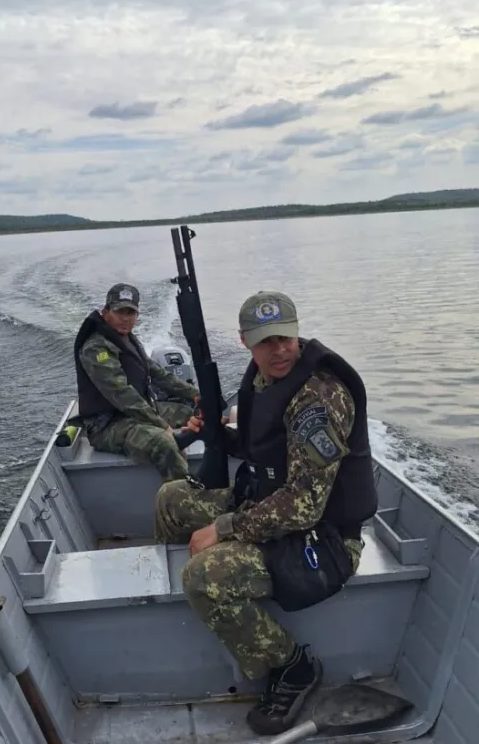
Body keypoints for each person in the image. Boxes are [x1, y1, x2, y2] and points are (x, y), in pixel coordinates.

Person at [154, 290, 378, 736]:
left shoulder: (319, 397)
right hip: (271, 508)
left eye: (285, 338)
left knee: (204, 576)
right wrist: (220, 436)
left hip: (324, 539)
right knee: (172, 498)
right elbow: (268, 451)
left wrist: (224, 528)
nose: (278, 349)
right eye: (265, 341)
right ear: (245, 342)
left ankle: (293, 666)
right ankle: (198, 607)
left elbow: (306, 503)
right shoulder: (265, 379)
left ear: (297, 334)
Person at [73, 282, 201, 481]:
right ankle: (184, 500)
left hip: (136, 413)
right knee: (163, 443)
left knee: (194, 414)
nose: (126, 319)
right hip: (108, 425)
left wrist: (195, 395)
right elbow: (122, 394)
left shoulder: (126, 338)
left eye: (131, 313)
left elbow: (157, 373)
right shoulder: (95, 348)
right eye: (120, 312)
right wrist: (161, 425)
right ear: (106, 313)